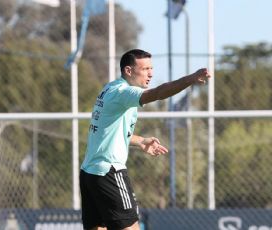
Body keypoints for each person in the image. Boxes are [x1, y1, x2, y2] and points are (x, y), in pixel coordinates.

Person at [80, 49, 210, 230]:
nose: (151, 73)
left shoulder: (110, 88)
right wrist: (190, 79)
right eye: (145, 69)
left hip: (90, 173)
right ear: (129, 71)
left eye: (152, 68)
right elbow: (157, 93)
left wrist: (140, 141)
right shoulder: (124, 93)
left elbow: (108, 131)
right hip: (110, 171)